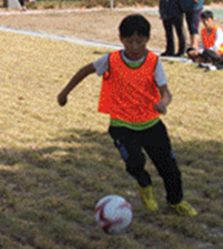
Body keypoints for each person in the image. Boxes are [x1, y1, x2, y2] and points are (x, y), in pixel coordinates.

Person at [56, 14, 197, 217]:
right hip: (121, 125)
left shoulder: (153, 61)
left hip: (151, 123)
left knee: (170, 169)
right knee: (134, 163)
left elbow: (166, 91)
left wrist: (163, 103)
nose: (134, 46)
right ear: (121, 39)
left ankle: (176, 201)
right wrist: (64, 93)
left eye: (139, 41)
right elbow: (85, 71)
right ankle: (144, 184)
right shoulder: (111, 60)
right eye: (129, 41)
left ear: (147, 39)